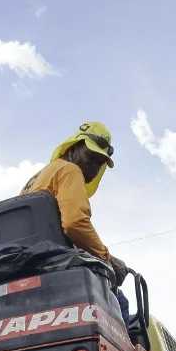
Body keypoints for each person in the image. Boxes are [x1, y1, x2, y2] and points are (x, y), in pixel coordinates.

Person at [21, 122, 131, 318]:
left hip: (27, 263)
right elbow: (75, 224)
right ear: (75, 147)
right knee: (120, 302)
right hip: (55, 265)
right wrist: (107, 259)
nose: (94, 166)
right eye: (91, 156)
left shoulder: (39, 178)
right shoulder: (70, 170)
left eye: (100, 162)